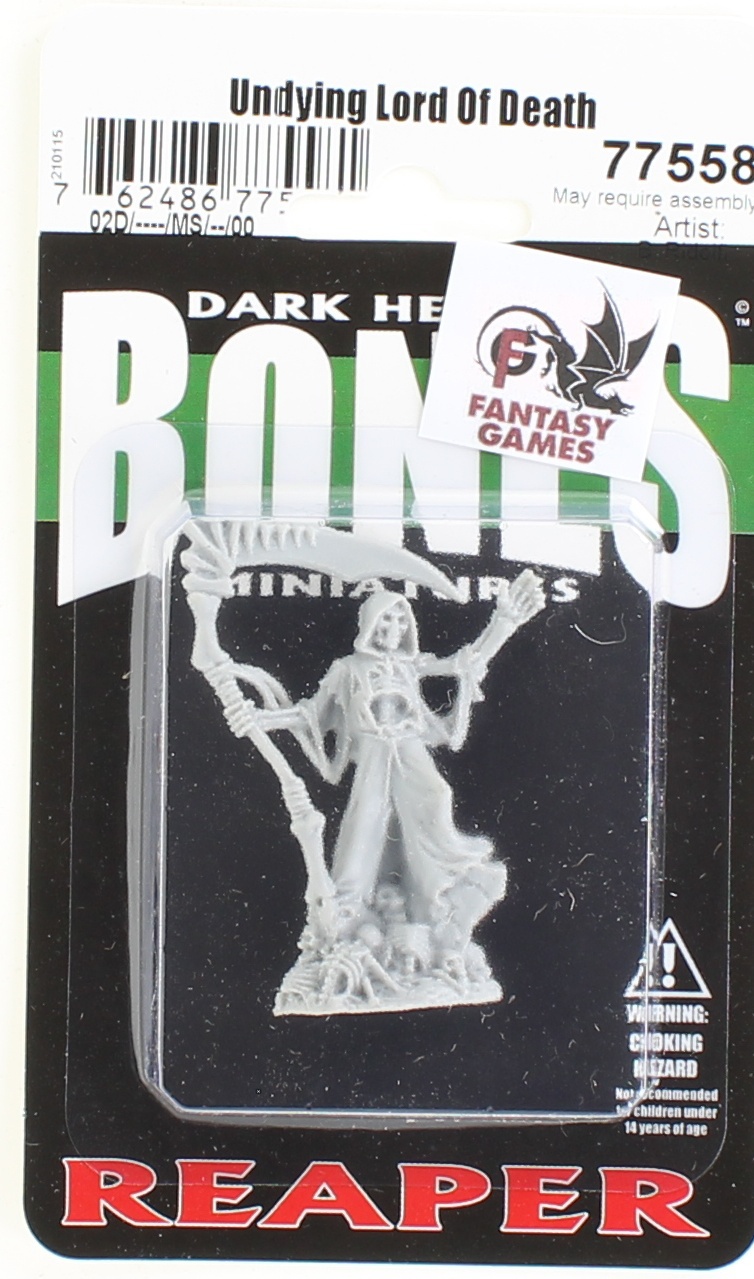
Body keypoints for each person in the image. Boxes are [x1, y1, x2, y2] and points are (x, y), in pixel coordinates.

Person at [224, 571, 545, 1009]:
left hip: (412, 755)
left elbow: (467, 662)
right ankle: (347, 916)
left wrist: (503, 622)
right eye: (386, 620)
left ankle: (437, 907)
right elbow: (310, 713)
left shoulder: (410, 666)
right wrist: (260, 718)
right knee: (365, 830)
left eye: (400, 620)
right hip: (375, 758)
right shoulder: (348, 669)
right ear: (370, 626)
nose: (393, 628)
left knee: (436, 808)